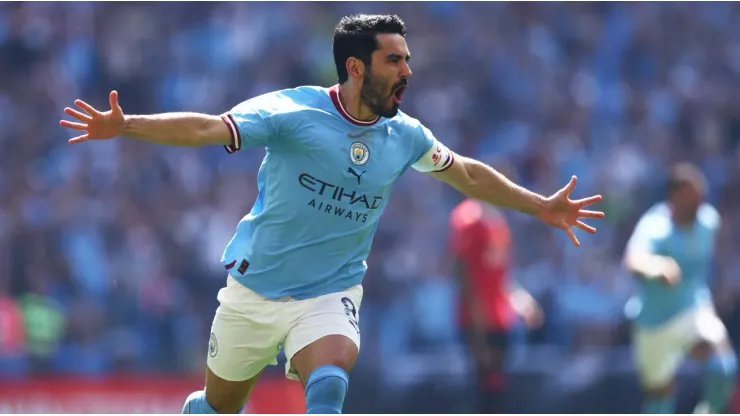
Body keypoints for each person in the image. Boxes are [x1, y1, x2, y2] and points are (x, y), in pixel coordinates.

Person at [60, 14, 604, 415]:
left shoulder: (406, 135)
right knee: (217, 407)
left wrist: (542, 206)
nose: (407, 71)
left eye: (408, 59)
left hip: (330, 292)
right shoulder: (292, 112)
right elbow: (208, 127)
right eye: (395, 60)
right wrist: (127, 124)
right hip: (256, 290)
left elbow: (465, 174)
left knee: (330, 381)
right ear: (355, 66)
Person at [623, 163, 736, 414]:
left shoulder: (707, 221)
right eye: (692, 197)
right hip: (654, 322)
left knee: (723, 368)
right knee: (659, 400)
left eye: (701, 196)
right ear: (673, 197)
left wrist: (724, 284)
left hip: (693, 310)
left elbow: (717, 254)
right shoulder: (655, 226)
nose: (699, 203)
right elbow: (633, 259)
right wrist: (656, 266)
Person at [450, 198, 543, 413]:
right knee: (482, 390)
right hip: (479, 322)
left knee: (498, 389)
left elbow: (500, 276)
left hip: (500, 319)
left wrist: (520, 299)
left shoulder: (497, 219)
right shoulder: (468, 217)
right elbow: (462, 272)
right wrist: (477, 330)